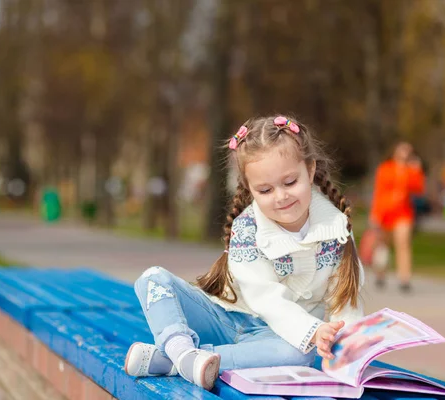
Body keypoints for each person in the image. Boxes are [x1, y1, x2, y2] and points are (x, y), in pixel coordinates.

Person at [123, 115, 365, 391]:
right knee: (153, 279)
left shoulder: (336, 228)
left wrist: (351, 344)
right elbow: (265, 299)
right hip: (223, 319)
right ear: (250, 189)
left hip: (276, 339)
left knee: (300, 353)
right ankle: (181, 349)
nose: (281, 196)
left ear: (310, 170)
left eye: (290, 182)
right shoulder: (247, 229)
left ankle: (173, 361)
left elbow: (346, 296)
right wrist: (312, 330)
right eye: (265, 189)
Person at [369, 142, 425, 293]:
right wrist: (375, 214)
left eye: (408, 151)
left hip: (404, 213)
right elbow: (379, 192)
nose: (405, 154)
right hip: (386, 212)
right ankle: (380, 274)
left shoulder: (411, 170)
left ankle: (404, 278)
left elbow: (418, 189)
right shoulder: (385, 168)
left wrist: (416, 171)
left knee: (403, 243)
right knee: (383, 246)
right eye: (402, 150)